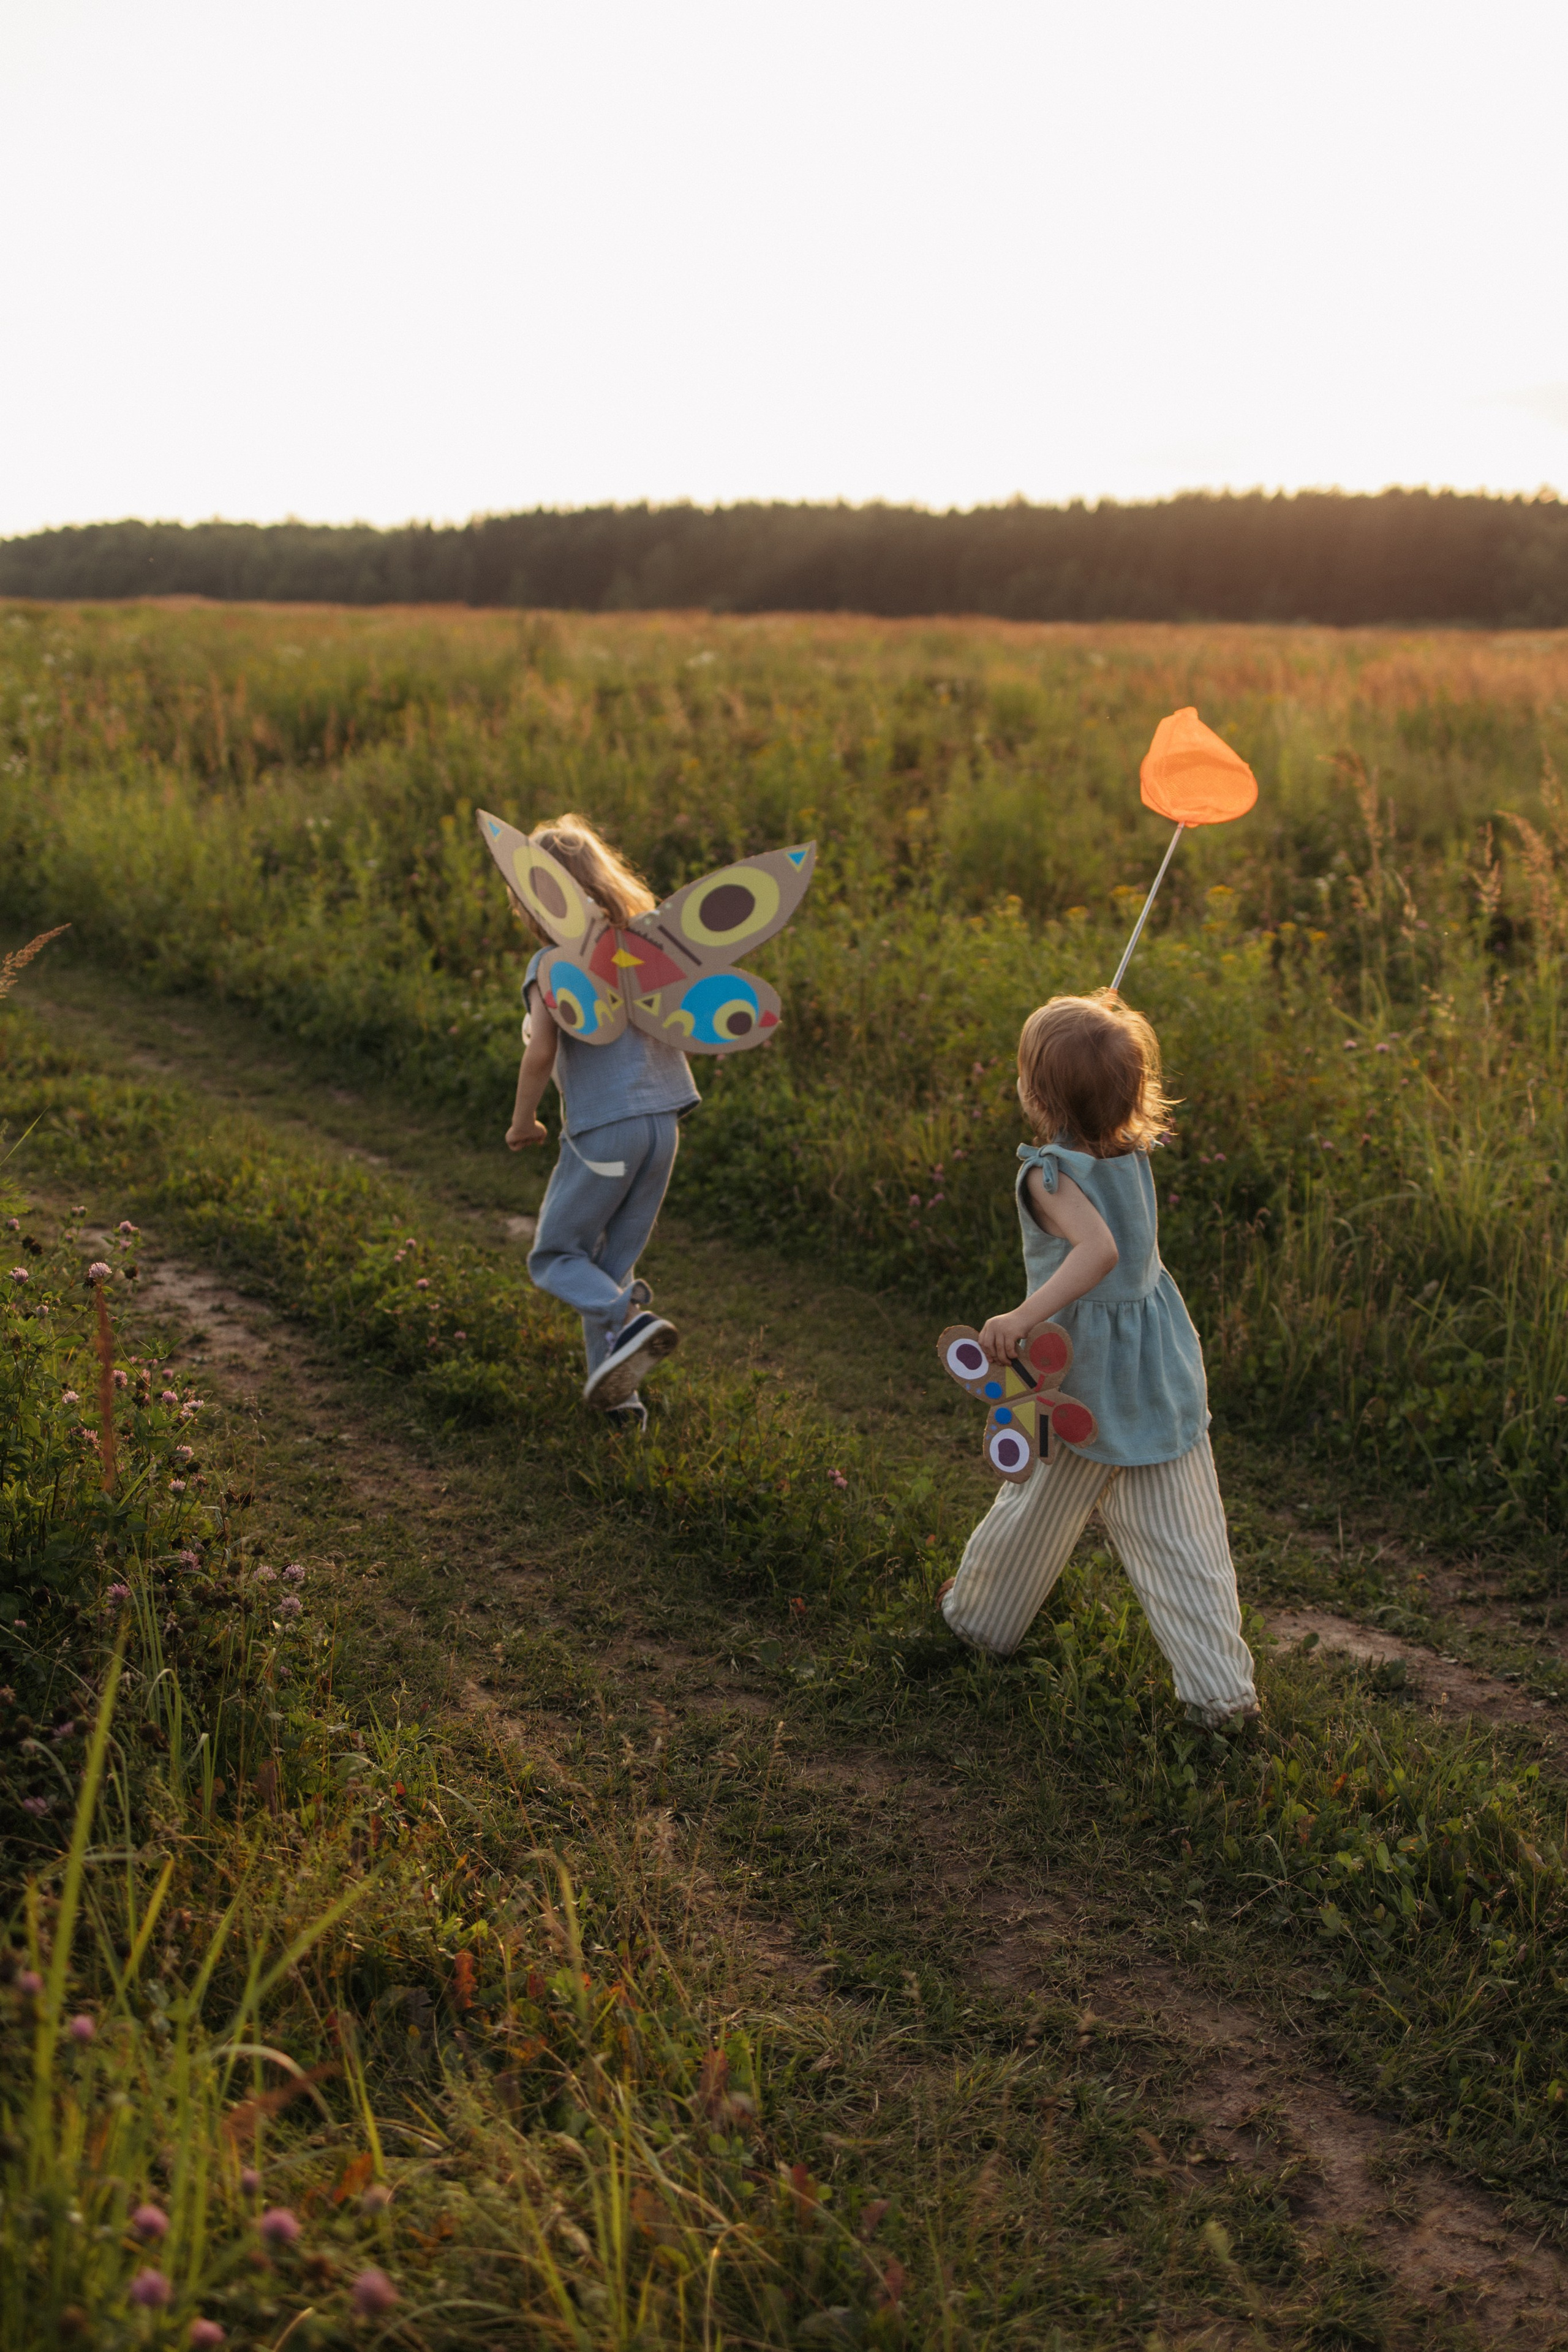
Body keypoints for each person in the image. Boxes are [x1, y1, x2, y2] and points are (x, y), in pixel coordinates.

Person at [940, 989, 1257, 1730]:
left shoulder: (1046, 1175)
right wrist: (1097, 1043)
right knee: (1183, 1533)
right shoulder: (1129, 1151)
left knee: (1039, 1506)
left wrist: (1020, 1316)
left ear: (1036, 1094)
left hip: (1076, 1375)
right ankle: (1221, 1695)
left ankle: (981, 1623)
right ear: (1132, 1094)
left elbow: (1099, 1250)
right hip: (1157, 1368)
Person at [505, 815, 696, 1431]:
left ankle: (629, 1320)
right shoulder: (643, 952)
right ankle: (620, 1403)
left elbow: (539, 1052)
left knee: (557, 1256)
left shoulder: (552, 964)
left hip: (604, 1132)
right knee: (609, 1270)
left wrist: (524, 1119)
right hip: (664, 1125)